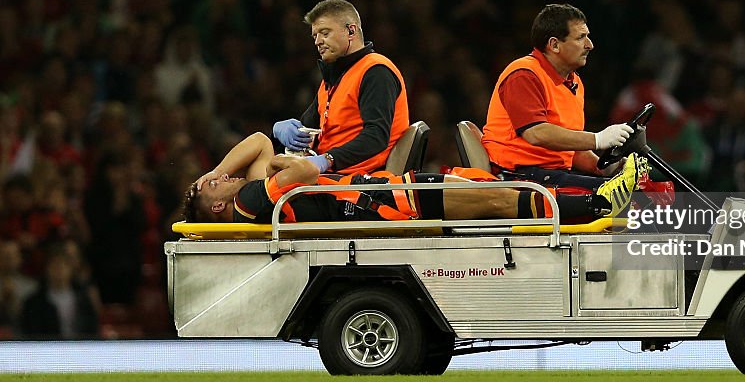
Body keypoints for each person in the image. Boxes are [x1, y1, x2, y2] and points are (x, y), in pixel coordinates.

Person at [186, 133, 644, 224]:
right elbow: (300, 168)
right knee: (501, 201)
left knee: (497, 195)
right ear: (221, 206)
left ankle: (601, 196)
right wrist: (300, 163)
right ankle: (598, 205)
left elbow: (259, 141)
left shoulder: (245, 192)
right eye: (210, 187)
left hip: (389, 192)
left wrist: (213, 172)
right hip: (392, 201)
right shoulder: (249, 200)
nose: (214, 179)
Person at [481, 3, 638, 196]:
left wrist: (605, 168)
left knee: (632, 190)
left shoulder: (573, 83)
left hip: (548, 175)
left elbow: (572, 150)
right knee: (619, 197)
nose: (590, 45)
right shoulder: (523, 75)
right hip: (518, 177)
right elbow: (536, 133)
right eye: (581, 37)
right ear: (554, 45)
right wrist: (598, 139)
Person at [272, 0, 410, 176]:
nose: (317, 42)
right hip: (328, 177)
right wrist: (278, 132)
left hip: (356, 181)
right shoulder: (333, 79)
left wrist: (328, 159)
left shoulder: (376, 72)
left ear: (351, 31)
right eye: (315, 36)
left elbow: (376, 137)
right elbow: (306, 128)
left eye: (325, 33)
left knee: (252, 192)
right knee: (258, 147)